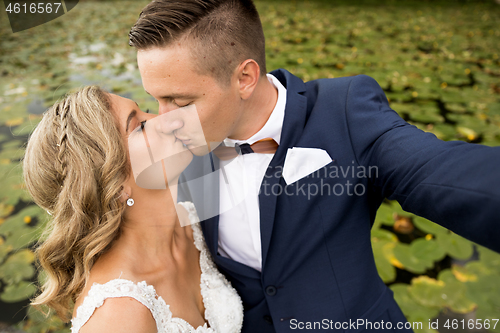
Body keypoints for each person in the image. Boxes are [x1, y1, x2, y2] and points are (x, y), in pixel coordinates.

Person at [128, 1, 500, 332]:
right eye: (155, 99)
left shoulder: (346, 112)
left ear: (244, 78)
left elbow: (440, 173)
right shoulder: (182, 149)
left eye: (179, 100)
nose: (164, 120)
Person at [22, 86, 243, 332]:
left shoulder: (191, 219)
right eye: (139, 126)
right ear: (115, 185)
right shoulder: (118, 314)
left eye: (145, 111)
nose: (165, 119)